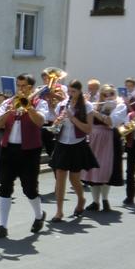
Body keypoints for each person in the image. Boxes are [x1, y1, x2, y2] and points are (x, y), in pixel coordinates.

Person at [0, 74, 48, 239]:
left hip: (30, 150)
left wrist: (28, 106)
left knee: (29, 188)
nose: (20, 89)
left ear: (31, 87)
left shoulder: (40, 103)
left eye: (24, 86)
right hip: (8, 149)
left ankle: (39, 215)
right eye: (19, 85)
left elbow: (40, 122)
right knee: (5, 187)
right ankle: (2, 226)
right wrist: (9, 110)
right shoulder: (9, 102)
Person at [47, 80, 97, 221]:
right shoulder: (63, 104)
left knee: (74, 178)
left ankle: (81, 199)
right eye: (69, 91)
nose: (70, 94)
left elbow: (88, 129)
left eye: (73, 92)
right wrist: (57, 122)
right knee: (60, 177)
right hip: (62, 143)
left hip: (77, 144)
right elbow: (55, 123)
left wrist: (72, 118)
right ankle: (59, 211)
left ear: (80, 91)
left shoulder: (87, 106)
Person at [82, 84, 127, 212]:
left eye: (111, 93)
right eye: (105, 94)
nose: (108, 96)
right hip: (94, 139)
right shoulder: (95, 104)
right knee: (93, 170)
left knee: (105, 169)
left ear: (115, 94)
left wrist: (92, 111)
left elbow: (111, 122)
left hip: (109, 139)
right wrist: (84, 105)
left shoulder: (120, 105)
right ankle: (95, 202)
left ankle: (105, 199)